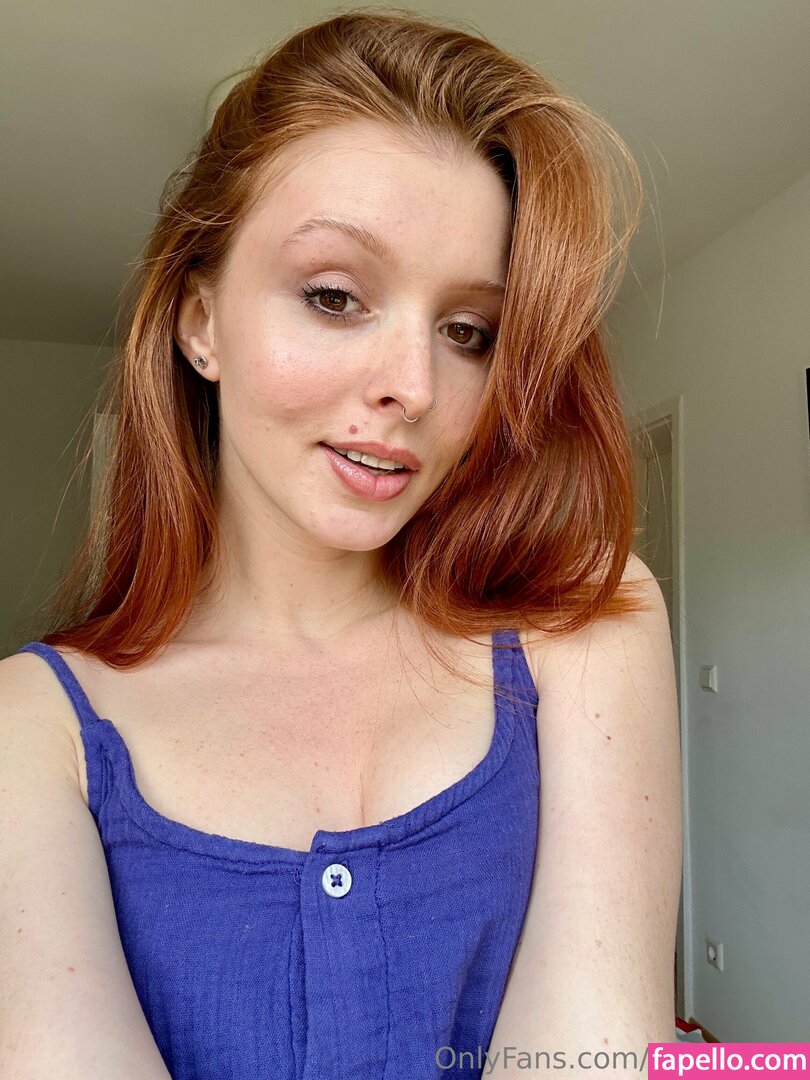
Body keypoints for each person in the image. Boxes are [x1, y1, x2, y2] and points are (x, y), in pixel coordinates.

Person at [0, 9, 683, 1079]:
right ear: (200, 322)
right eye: (333, 297)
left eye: (468, 332)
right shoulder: (33, 728)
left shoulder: (584, 627)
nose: (415, 386)